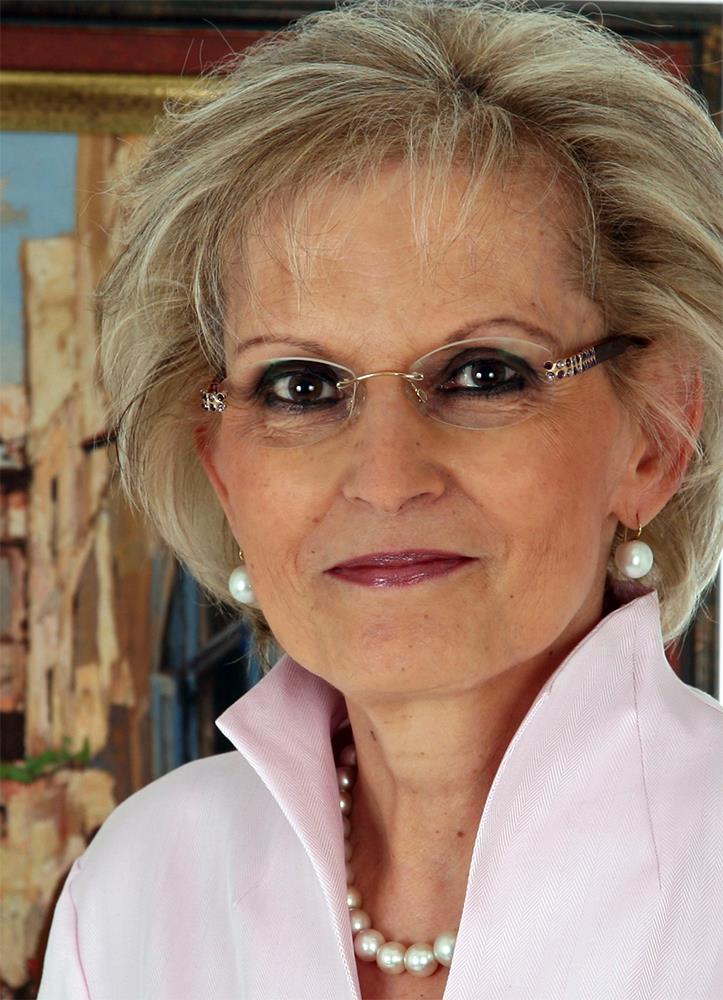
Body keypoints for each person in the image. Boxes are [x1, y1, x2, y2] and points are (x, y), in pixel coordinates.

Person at [38, 1, 722, 997]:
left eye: (484, 374)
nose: (388, 477)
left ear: (654, 437)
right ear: (222, 465)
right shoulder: (140, 891)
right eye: (301, 386)